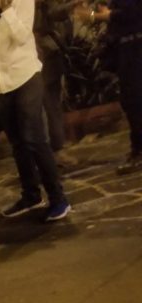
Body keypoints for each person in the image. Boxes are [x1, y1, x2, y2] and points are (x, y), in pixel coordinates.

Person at [0, 0, 71, 221]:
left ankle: (58, 198)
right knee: (18, 143)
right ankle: (31, 195)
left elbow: (23, 36)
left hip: (25, 76)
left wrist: (7, 11)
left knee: (35, 138)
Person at [75, 0, 142, 174]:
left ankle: (139, 151)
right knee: (132, 101)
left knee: (133, 100)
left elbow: (131, 13)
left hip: (134, 48)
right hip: (128, 47)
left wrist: (95, 16)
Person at [35, 0, 78, 168]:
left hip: (45, 53)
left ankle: (54, 149)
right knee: (48, 104)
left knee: (50, 103)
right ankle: (54, 150)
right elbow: (55, 13)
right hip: (40, 53)